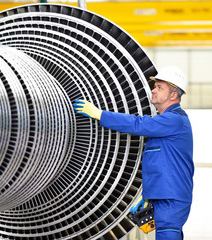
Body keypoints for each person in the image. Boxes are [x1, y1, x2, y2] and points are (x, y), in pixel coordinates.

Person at [73, 66, 194, 240]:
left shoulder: (174, 120)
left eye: (160, 87)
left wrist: (100, 114)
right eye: (155, 86)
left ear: (173, 95)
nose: (153, 90)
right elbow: (160, 164)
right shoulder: (164, 124)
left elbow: (138, 124)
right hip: (164, 197)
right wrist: (149, 196)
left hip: (171, 199)